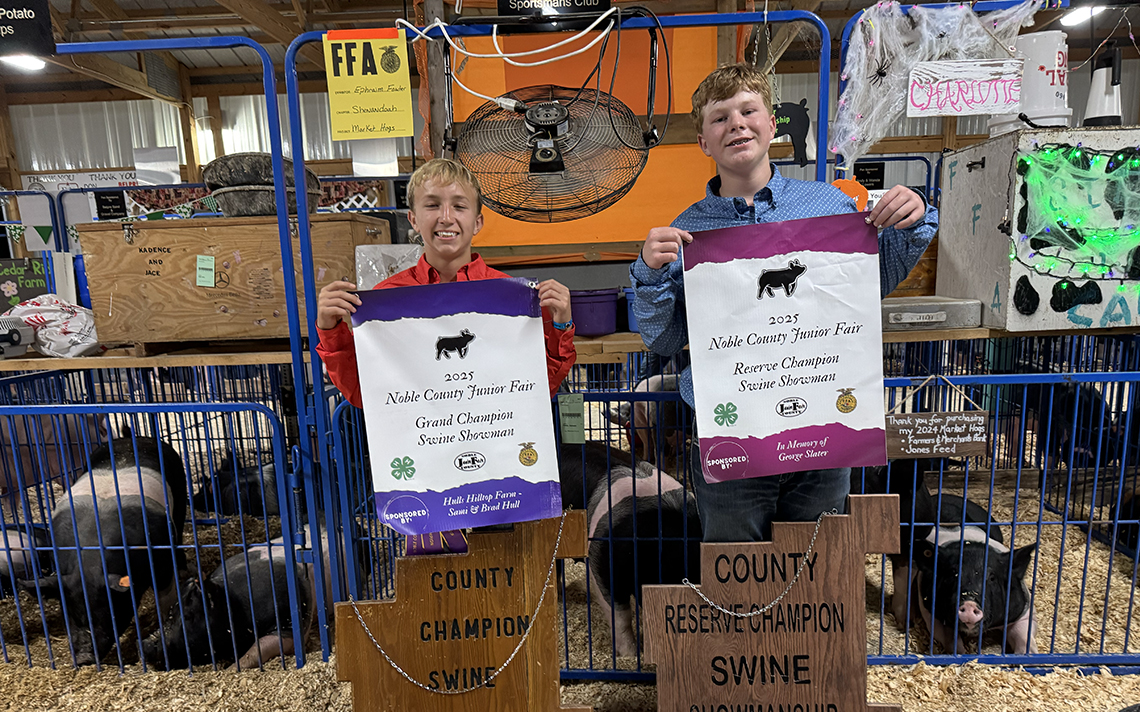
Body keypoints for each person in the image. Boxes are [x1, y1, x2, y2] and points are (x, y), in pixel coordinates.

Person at [630, 63, 938, 543]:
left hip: (822, 428)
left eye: (748, 110)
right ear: (704, 143)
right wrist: (648, 275)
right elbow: (666, 336)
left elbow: (871, 283)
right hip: (732, 436)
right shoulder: (687, 229)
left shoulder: (831, 207)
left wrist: (913, 215)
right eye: (719, 118)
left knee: (817, 567)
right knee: (735, 567)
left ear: (772, 124)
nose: (736, 123)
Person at [316, 157, 576, 553]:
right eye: (432, 204)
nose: (446, 216)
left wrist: (560, 324)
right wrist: (331, 328)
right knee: (437, 598)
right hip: (427, 489)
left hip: (502, 483)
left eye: (459, 204)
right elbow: (361, 392)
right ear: (413, 219)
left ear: (478, 221)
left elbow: (540, 388)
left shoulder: (513, 298)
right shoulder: (383, 303)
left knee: (508, 586)